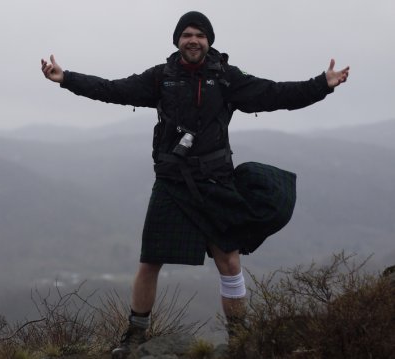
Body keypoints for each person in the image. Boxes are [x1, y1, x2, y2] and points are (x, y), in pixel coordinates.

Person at [41, 10, 349, 358]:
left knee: (228, 261)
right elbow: (113, 89)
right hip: (172, 180)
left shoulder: (227, 78)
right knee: (150, 260)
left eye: (200, 35)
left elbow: (274, 94)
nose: (193, 40)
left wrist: (322, 84)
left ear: (209, 41)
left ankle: (239, 337)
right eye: (187, 34)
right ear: (177, 41)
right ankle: (135, 335)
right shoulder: (161, 78)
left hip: (216, 179)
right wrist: (66, 78)